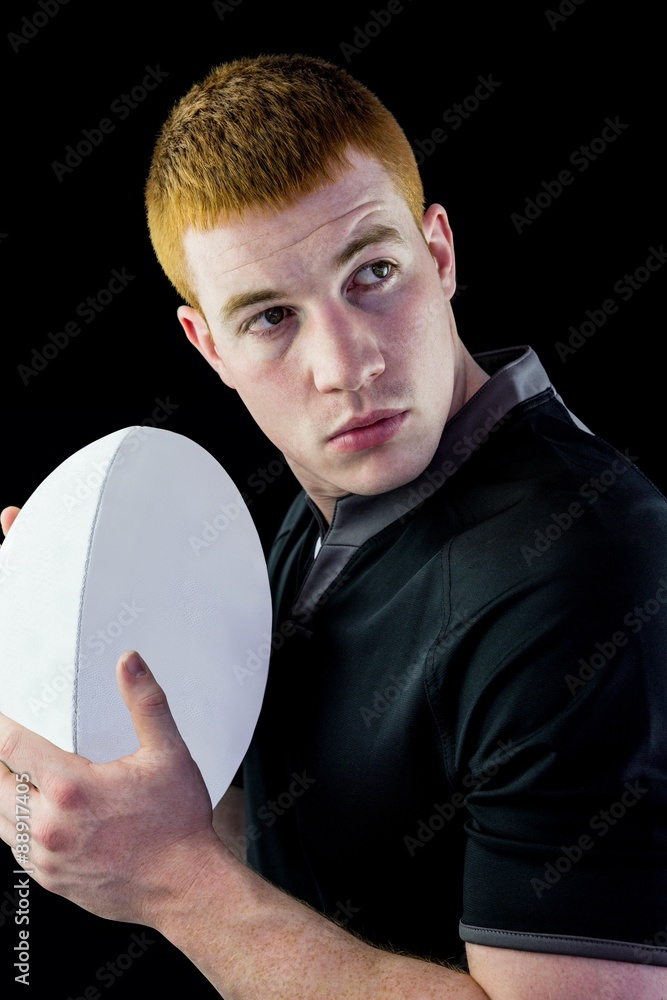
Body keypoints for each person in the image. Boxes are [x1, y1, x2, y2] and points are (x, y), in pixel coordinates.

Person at [1, 53, 667, 998]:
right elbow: (322, 853)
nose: (344, 363)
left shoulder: (582, 569)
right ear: (208, 346)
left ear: (438, 255)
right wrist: (83, 684)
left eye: (373, 273)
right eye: (271, 317)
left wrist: (175, 885)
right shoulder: (324, 514)